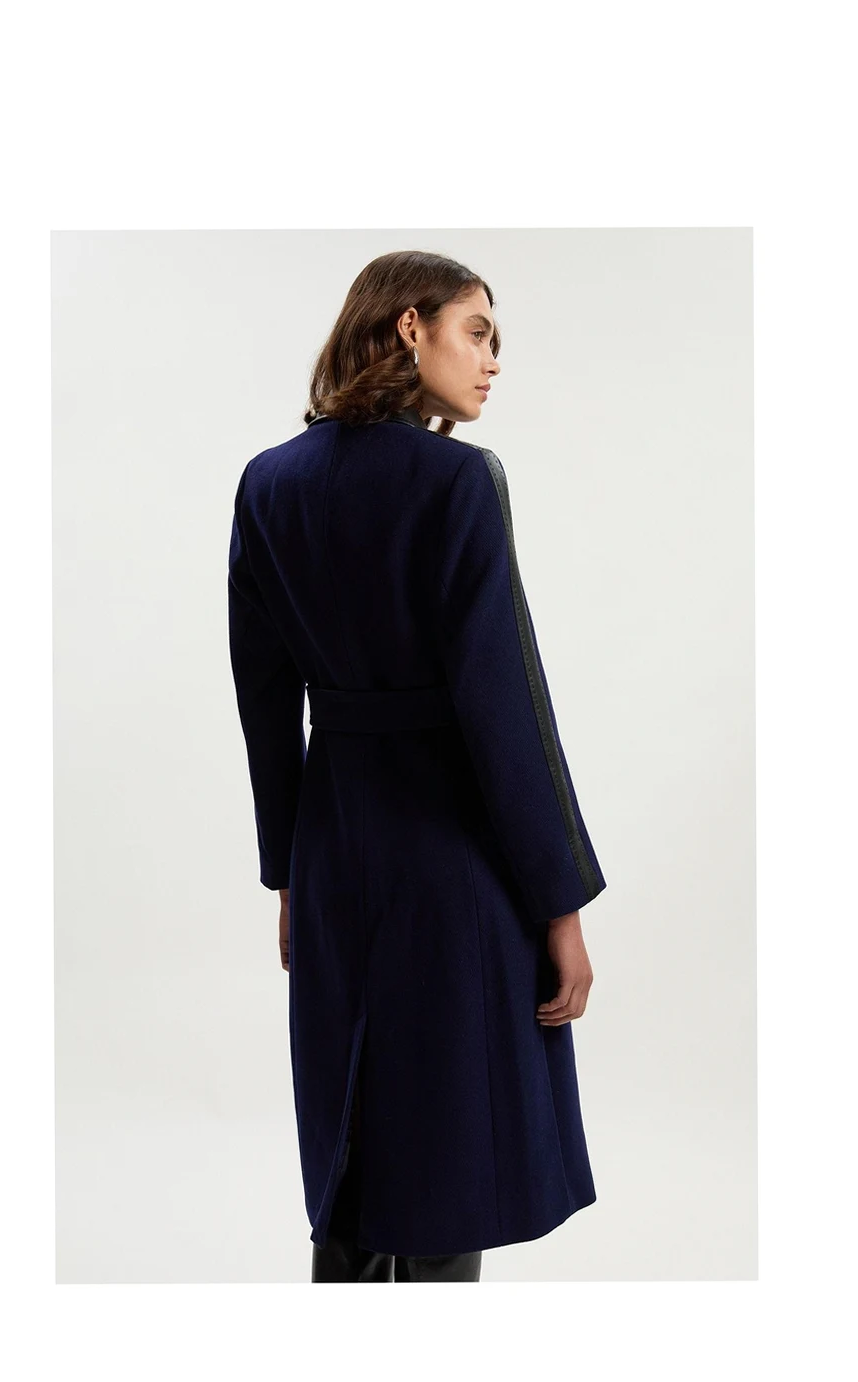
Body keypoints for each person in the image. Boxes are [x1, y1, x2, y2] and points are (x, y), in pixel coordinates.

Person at [227, 250, 607, 1282]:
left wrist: (290, 872)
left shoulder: (268, 483)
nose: (492, 360)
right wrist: (560, 902)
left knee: (352, 1146)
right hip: (451, 857)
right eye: (476, 331)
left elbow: (265, 702)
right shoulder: (459, 482)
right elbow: (506, 704)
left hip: (335, 847)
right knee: (451, 1148)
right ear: (410, 327)